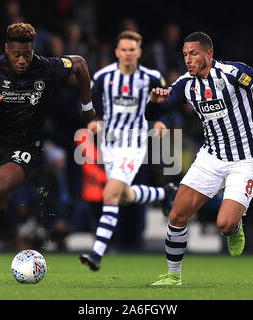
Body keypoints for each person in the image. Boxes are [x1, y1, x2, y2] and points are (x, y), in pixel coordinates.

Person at [145, 31, 253, 286]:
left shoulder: (233, 73)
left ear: (209, 54)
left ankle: (235, 225)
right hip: (212, 156)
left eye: (193, 54)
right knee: (177, 215)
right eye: (185, 54)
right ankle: (173, 276)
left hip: (245, 159)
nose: (187, 60)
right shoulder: (186, 84)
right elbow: (153, 113)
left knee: (225, 224)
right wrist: (153, 103)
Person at [0, 22, 95, 283]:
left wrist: (87, 105)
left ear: (33, 50)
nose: (22, 61)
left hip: (25, 146)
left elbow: (79, 63)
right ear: (7, 49)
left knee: (0, 188)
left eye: (27, 54)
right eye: (16, 54)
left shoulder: (45, 66)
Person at [79, 31, 178, 272]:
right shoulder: (104, 76)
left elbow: (168, 100)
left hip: (134, 144)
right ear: (117, 52)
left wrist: (160, 120)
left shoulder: (152, 77)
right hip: (109, 145)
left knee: (110, 194)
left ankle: (97, 253)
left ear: (139, 52)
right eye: (123, 49)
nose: (127, 54)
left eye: (132, 50)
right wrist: (92, 121)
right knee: (122, 196)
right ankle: (163, 194)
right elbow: (87, 102)